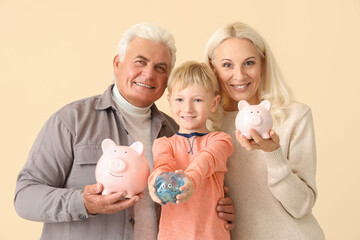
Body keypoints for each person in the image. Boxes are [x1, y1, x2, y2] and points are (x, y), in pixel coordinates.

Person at [14, 23, 234, 240]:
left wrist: (220, 208)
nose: (149, 74)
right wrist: (83, 203)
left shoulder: (175, 131)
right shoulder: (71, 121)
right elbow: (25, 197)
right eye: (140, 62)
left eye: (160, 68)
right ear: (117, 63)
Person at [204, 22, 326, 240]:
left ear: (262, 63)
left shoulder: (294, 117)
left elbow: (301, 206)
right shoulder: (208, 126)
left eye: (249, 63)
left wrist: (273, 153)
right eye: (227, 65)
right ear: (213, 68)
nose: (239, 76)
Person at [148, 61, 233, 240]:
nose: (188, 109)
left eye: (197, 100)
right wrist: (156, 180)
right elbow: (163, 164)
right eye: (180, 99)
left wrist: (191, 180)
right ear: (170, 101)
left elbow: (206, 160)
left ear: (214, 103)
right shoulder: (163, 143)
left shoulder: (220, 140)